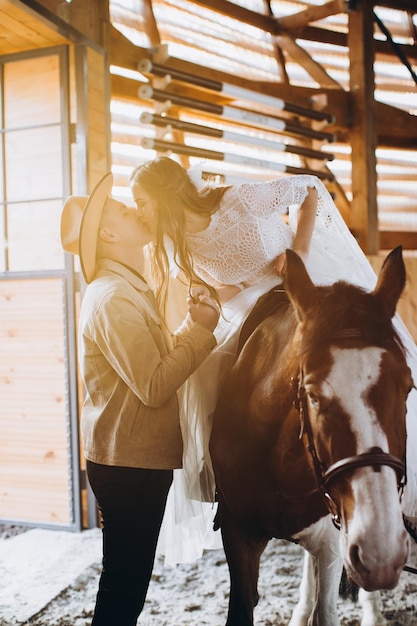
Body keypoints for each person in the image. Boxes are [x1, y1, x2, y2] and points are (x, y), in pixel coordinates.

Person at [129, 156, 417, 565]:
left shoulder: (236, 200)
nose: (139, 211)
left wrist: (297, 250)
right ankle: (221, 480)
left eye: (141, 202)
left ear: (163, 196)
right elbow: (227, 290)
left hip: (300, 284)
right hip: (248, 306)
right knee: (203, 374)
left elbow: (311, 188)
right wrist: (211, 299)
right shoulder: (177, 246)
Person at [60, 172, 220, 626]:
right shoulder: (112, 298)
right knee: (124, 585)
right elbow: (153, 384)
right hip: (129, 466)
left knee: (127, 580)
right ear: (109, 234)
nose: (137, 211)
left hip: (132, 460)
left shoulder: (128, 289)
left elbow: (150, 362)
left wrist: (191, 325)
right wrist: (202, 331)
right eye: (124, 210)